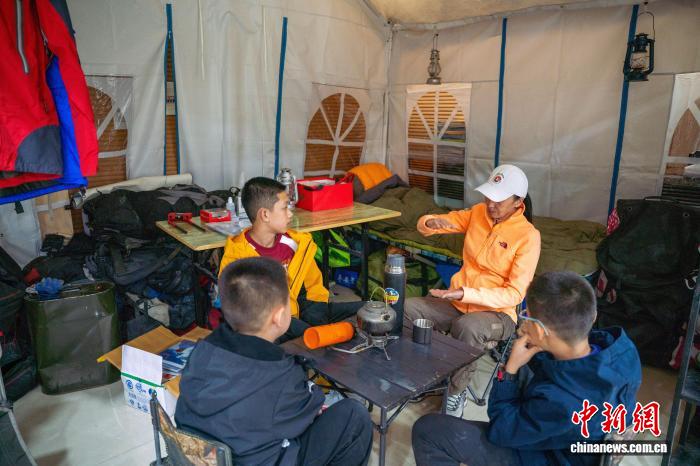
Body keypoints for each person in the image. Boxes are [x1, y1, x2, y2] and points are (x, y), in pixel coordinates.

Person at [412, 271, 642, 466]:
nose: (524, 323)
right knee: (527, 368)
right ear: (591, 316)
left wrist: (508, 372)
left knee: (429, 430)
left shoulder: (562, 401)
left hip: (552, 456)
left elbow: (501, 431)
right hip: (576, 437)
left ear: (541, 330)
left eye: (527, 316)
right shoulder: (621, 349)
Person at [176, 257, 373, 466]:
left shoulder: (202, 350)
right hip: (258, 460)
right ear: (278, 316)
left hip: (200, 455)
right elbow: (312, 406)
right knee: (354, 416)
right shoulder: (281, 377)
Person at [405, 164, 541, 417]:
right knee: (409, 308)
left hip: (498, 314)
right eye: (488, 197)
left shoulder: (528, 236)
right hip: (457, 303)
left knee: (467, 327)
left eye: (499, 200)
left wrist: (465, 293)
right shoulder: (479, 213)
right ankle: (424, 375)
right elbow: (437, 222)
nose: (491, 205)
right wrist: (431, 222)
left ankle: (455, 392)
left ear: (518, 202)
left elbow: (515, 294)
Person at [219, 177, 361, 341]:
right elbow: (244, 315)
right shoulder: (238, 258)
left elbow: (314, 286)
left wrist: (317, 316)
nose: (290, 214)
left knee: (368, 310)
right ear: (265, 214)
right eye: (285, 207)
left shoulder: (296, 244)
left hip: (306, 309)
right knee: (314, 338)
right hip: (270, 325)